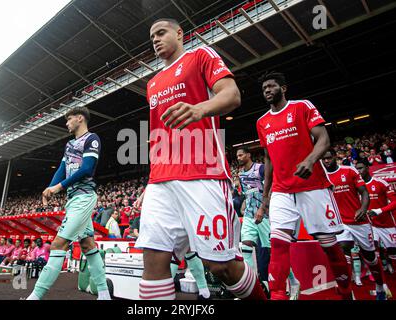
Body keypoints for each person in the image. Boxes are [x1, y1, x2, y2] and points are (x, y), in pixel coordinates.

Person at [134, 18, 265, 300]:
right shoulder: (153, 83)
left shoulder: (201, 56)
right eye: (151, 37)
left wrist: (199, 109)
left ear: (179, 33)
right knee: (154, 260)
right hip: (161, 181)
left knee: (221, 266)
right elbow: (159, 135)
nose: (155, 40)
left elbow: (232, 95)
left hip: (203, 174)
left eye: (161, 33)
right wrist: (150, 182)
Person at [255, 71, 353, 300]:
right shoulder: (262, 122)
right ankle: (278, 296)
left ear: (283, 88)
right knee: (278, 245)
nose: (267, 90)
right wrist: (266, 196)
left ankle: (347, 293)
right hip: (282, 191)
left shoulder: (302, 107)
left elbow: (324, 139)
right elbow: (268, 159)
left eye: (271, 86)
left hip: (313, 187)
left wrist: (310, 160)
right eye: (264, 89)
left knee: (330, 246)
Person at [26, 106, 110, 300]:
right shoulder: (70, 145)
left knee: (58, 244)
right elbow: (62, 169)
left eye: (69, 119)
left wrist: (59, 187)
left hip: (84, 197)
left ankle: (35, 297)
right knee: (88, 245)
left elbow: (88, 168)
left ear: (80, 118)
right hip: (73, 199)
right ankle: (104, 294)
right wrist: (49, 188)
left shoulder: (91, 138)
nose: (66, 123)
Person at [236, 146, 300, 299]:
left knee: (273, 252)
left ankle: (293, 281)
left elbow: (270, 188)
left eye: (241, 155)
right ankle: (253, 288)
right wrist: (245, 207)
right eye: (237, 156)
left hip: (264, 215)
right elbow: (247, 194)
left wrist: (262, 209)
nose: (238, 158)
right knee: (245, 245)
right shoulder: (241, 174)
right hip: (249, 216)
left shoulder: (261, 168)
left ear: (248, 155)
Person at [323, 151, 389, 299]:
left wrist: (363, 208)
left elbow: (364, 192)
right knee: (343, 250)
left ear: (335, 158)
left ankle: (380, 286)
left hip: (359, 221)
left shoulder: (349, 171)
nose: (326, 161)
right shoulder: (321, 176)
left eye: (329, 158)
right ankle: (348, 292)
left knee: (370, 257)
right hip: (339, 223)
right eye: (324, 159)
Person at [356, 160, 396, 276]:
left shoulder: (380, 183)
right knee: (372, 251)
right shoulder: (357, 186)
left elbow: (394, 202)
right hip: (370, 225)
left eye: (361, 168)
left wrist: (379, 211)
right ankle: (377, 278)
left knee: (393, 254)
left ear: (368, 168)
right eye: (356, 169)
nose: (358, 171)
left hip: (387, 224)